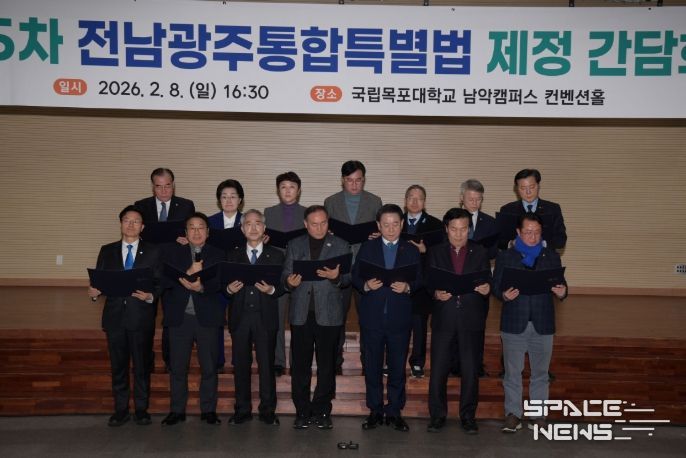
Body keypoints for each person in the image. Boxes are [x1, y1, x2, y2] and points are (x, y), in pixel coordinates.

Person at [492, 213, 567, 433]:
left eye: (537, 232)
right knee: (512, 373)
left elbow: (561, 284)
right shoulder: (506, 256)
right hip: (514, 321)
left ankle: (538, 416)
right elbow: (495, 286)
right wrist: (504, 295)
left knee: (541, 373)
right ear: (518, 232)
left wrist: (563, 292)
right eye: (527, 232)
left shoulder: (550, 256)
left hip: (543, 322)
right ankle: (513, 414)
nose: (533, 237)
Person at [88, 205, 161, 427]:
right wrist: (94, 293)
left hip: (141, 317)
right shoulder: (107, 250)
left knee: (141, 366)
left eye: (136, 221)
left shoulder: (153, 251)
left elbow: (160, 282)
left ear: (143, 227)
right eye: (127, 220)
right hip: (115, 317)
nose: (131, 224)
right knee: (118, 367)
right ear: (120, 224)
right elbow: (98, 282)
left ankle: (141, 410)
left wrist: (150, 296)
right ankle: (120, 410)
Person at [352, 204, 421, 432]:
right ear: (378, 226)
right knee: (372, 366)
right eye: (386, 224)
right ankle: (375, 410)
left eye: (395, 224)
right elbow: (355, 276)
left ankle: (394, 411)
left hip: (399, 318)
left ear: (402, 225)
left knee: (397, 367)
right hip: (372, 317)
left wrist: (408, 287)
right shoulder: (367, 247)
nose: (391, 229)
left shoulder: (410, 250)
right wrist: (366, 285)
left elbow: (421, 278)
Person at [283, 205, 351, 430]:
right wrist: (289, 282)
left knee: (327, 366)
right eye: (314, 224)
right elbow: (285, 275)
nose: (319, 228)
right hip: (301, 313)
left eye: (323, 223)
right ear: (305, 224)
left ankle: (322, 410)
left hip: (329, 314)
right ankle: (302, 411)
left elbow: (348, 277)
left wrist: (336, 277)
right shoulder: (295, 244)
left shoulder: (341, 245)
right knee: (300, 366)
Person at [425, 208, 491, 434]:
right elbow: (428, 282)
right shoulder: (435, 252)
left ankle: (468, 416)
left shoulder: (480, 252)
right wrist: (436, 293)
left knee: (471, 371)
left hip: (471, 318)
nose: (459, 234)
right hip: (444, 317)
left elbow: (487, 279)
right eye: (454, 229)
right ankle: (437, 416)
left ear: (469, 229)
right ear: (446, 229)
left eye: (463, 229)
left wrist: (486, 288)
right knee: (438, 370)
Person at [160, 213, 226, 426]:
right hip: (179, 318)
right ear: (186, 232)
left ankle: (209, 410)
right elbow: (164, 281)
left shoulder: (218, 253)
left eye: (201, 227)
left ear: (208, 232)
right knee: (178, 368)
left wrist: (201, 287)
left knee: (209, 368)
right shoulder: (172, 253)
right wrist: (189, 273)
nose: (197, 232)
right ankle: (176, 410)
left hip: (207, 318)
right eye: (192, 228)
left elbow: (220, 283)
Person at [226, 209, 285, 426]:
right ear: (242, 229)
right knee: (241, 366)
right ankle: (242, 410)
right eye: (248, 224)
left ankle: (268, 411)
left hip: (265, 317)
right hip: (240, 317)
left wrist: (272, 290)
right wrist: (229, 290)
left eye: (257, 223)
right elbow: (222, 285)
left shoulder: (277, 255)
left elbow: (284, 285)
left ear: (264, 228)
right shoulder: (232, 255)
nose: (253, 227)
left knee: (267, 366)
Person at [134, 168, 196, 372]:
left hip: (174, 268)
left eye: (167, 186)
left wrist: (187, 239)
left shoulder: (186, 206)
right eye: (158, 186)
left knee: (171, 317)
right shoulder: (141, 206)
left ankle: (171, 361)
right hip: (148, 268)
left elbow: (193, 233)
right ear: (153, 187)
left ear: (173, 185)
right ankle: (146, 360)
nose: (163, 191)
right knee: (145, 317)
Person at [324, 160, 382, 374]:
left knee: (368, 318)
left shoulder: (375, 201)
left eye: (359, 180)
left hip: (366, 267)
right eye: (350, 180)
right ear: (342, 180)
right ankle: (334, 361)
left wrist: (379, 234)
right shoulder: (330, 202)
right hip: (339, 267)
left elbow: (383, 231)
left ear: (364, 180)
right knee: (336, 317)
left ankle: (369, 362)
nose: (354, 184)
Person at [454, 179, 498, 378]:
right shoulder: (452, 219)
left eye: (478, 199)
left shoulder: (489, 222)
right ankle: (455, 365)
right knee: (454, 323)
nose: (474, 203)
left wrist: (480, 249)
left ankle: (476, 365)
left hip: (480, 278)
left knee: (478, 323)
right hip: (456, 276)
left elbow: (495, 251)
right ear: (461, 198)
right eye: (470, 199)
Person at [264, 172, 306, 377]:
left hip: (300, 274)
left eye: (292, 187)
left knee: (299, 320)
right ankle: (278, 361)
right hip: (278, 273)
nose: (287, 191)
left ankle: (298, 362)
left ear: (298, 190)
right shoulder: (268, 212)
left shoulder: (308, 213)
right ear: (277, 190)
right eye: (283, 187)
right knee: (277, 321)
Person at [401, 185, 443, 379]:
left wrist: (426, 251)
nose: (415, 202)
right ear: (405, 201)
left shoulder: (435, 224)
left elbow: (442, 254)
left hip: (423, 282)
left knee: (419, 325)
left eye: (419, 198)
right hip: (398, 281)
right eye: (411, 197)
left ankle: (417, 362)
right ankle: (394, 361)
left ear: (424, 202)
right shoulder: (396, 221)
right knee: (397, 325)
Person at [207, 179, 245, 372]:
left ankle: (240, 360)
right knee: (216, 319)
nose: (229, 200)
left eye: (233, 196)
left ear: (240, 200)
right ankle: (217, 360)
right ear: (218, 200)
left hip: (241, 276)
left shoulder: (248, 221)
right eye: (224, 197)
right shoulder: (209, 222)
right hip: (217, 276)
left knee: (240, 320)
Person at [497, 169, 567, 251]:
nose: (528, 192)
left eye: (532, 187)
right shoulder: (507, 210)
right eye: (523, 188)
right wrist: (512, 243)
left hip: (545, 257)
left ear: (538, 186)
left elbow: (561, 240)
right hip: (515, 257)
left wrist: (542, 243)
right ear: (517, 189)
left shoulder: (552, 209)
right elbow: (499, 241)